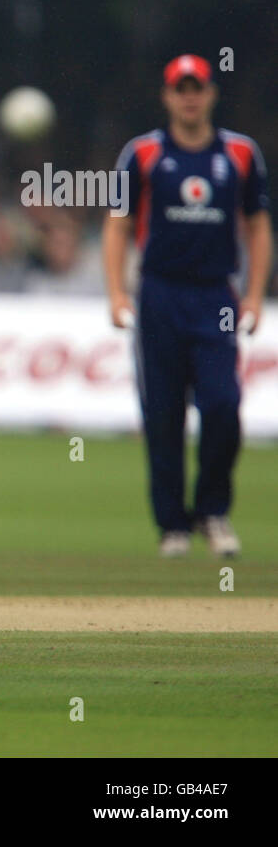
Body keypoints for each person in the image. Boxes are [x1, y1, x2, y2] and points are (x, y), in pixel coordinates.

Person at [103, 54, 271, 558]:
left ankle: (213, 511)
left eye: (198, 87)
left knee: (223, 404)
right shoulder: (142, 154)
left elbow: (259, 227)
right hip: (159, 293)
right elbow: (118, 223)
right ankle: (173, 526)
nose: (190, 96)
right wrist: (116, 293)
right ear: (168, 96)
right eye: (181, 88)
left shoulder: (241, 155)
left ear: (211, 94)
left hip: (215, 294)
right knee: (163, 414)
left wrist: (257, 294)